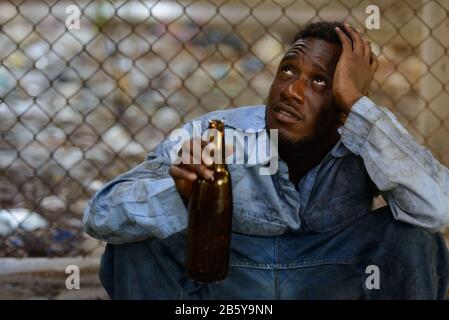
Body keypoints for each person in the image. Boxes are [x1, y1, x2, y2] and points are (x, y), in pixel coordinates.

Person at [83, 21, 449, 299]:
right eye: (288, 70)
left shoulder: (367, 141)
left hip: (330, 280)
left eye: (319, 82)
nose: (291, 90)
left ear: (342, 100)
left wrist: (357, 105)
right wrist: (178, 194)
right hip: (227, 287)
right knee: (136, 237)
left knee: (417, 237)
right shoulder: (218, 135)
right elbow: (101, 215)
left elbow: (436, 209)